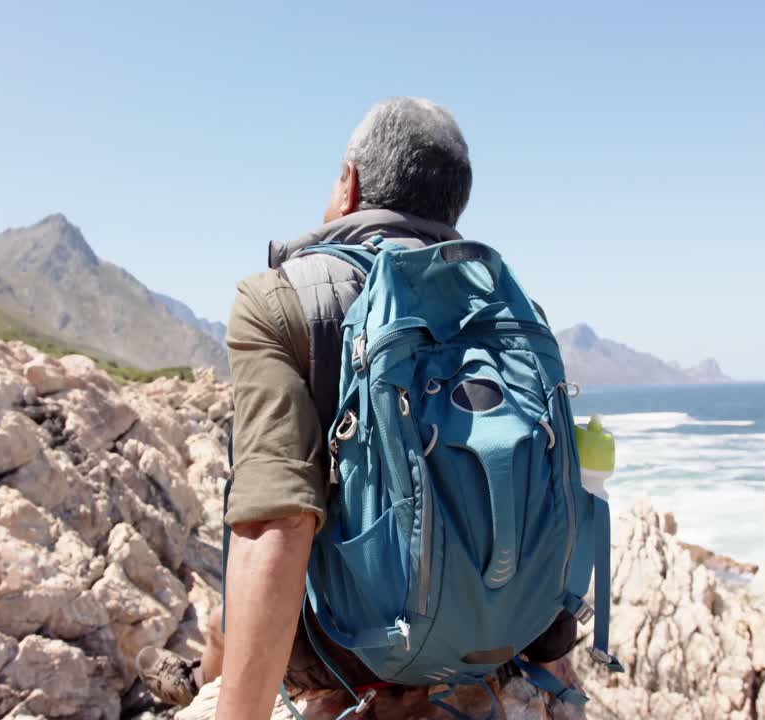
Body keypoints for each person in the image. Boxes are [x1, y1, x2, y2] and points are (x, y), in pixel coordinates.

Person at [137, 97, 577, 718]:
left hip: (358, 648)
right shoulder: (511, 310)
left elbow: (277, 523)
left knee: (223, 622)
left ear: (351, 184)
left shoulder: (284, 302)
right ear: (452, 205)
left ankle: (197, 685)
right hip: (501, 637)